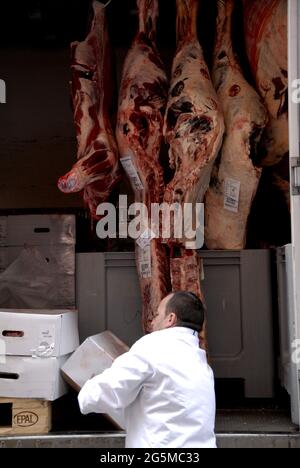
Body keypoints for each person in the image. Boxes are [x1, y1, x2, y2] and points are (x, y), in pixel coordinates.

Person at [78, 291, 217, 449]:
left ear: (170, 319)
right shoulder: (201, 363)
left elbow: (108, 391)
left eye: (157, 314)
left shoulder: (154, 346)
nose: (152, 322)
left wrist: (85, 393)